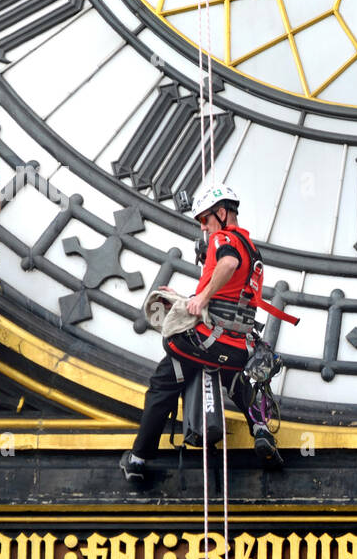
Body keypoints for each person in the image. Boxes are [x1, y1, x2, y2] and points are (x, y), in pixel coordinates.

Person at [120, 185, 283, 480]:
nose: (203, 228)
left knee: (163, 384)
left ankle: (138, 458)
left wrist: (201, 298)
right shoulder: (252, 249)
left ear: (221, 213)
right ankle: (262, 432)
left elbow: (228, 264)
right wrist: (187, 298)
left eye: (205, 220)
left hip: (204, 340)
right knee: (236, 379)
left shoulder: (224, 239)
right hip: (239, 345)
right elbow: (231, 296)